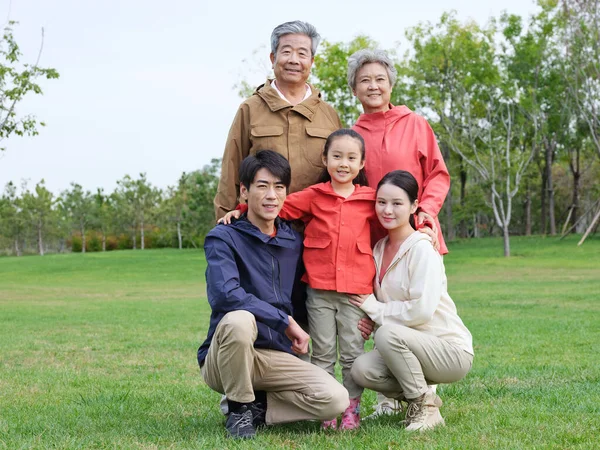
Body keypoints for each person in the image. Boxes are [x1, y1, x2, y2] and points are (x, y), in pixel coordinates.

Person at [220, 129, 377, 430]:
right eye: (336, 156)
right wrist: (239, 209)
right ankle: (327, 409)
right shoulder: (313, 197)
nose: (343, 163)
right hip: (318, 292)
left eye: (351, 158)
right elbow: (275, 207)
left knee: (353, 354)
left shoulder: (370, 200)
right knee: (323, 352)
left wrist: (423, 222)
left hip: (356, 294)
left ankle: (351, 409)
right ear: (324, 158)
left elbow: (391, 223)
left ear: (362, 164)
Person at [198, 150, 349, 439]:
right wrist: (283, 321)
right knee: (239, 320)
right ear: (244, 191)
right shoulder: (223, 237)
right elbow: (224, 295)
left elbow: (304, 294)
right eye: (262, 186)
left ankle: (259, 408)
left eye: (279, 187)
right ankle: (239, 411)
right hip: (226, 357)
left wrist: (360, 314)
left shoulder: (292, 240)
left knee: (335, 400)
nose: (272, 195)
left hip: (272, 356)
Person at [348, 48, 451, 417]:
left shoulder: (415, 124)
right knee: (380, 315)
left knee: (422, 311)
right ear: (354, 90)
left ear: (391, 83)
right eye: (364, 80)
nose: (373, 86)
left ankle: (425, 393)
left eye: (379, 78)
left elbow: (438, 174)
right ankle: (388, 400)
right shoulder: (352, 135)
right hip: (373, 243)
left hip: (415, 230)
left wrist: (425, 211)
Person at [349, 170, 473, 432]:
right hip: (409, 346)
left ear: (414, 206)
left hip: (449, 351)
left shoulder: (423, 249)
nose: (387, 210)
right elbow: (387, 302)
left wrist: (374, 309)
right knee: (362, 369)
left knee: (388, 336)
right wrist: (370, 319)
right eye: (381, 202)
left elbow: (420, 311)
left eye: (397, 203)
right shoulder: (379, 249)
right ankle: (425, 398)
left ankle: (424, 409)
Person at [214, 20, 342, 221]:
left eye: (302, 53)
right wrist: (225, 230)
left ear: (312, 61)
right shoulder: (250, 109)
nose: (294, 60)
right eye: (286, 52)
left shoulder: (329, 115)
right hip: (262, 233)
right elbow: (230, 172)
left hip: (316, 232)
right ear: (273, 58)